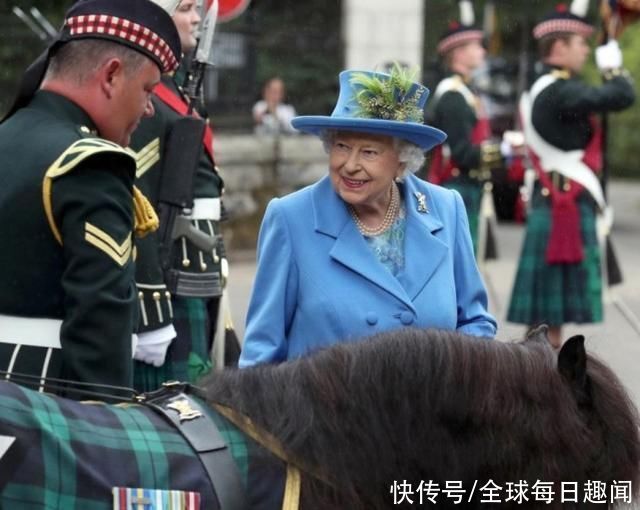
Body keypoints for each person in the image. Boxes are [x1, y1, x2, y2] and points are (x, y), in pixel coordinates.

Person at [239, 65, 497, 367]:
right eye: (341, 146)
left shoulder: (445, 208)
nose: (350, 165)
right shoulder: (290, 218)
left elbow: (476, 323)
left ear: (403, 161)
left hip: (430, 411)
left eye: (369, 152)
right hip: (326, 413)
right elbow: (260, 356)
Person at [0, 0, 181, 396]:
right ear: (112, 75)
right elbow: (100, 331)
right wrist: (106, 433)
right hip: (42, 407)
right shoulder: (91, 164)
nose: (150, 109)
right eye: (148, 89)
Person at [507, 2, 635, 349]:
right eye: (581, 43)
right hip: (562, 206)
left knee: (550, 314)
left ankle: (542, 375)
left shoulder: (550, 88)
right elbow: (623, 95)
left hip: (560, 202)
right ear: (559, 47)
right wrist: (611, 61)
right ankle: (544, 378)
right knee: (549, 315)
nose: (586, 50)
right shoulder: (558, 91)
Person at [129, 0, 234, 391]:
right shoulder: (147, 94)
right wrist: (149, 303)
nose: (196, 19)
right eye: (187, 7)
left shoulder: (175, 84)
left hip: (200, 267)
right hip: (169, 271)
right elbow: (136, 200)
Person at [427, 12, 506, 260]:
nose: (482, 52)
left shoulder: (464, 91)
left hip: (467, 185)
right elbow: (461, 153)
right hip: (457, 185)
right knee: (459, 262)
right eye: (476, 46)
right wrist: (503, 151)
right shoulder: (453, 96)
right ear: (458, 53)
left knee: (466, 258)